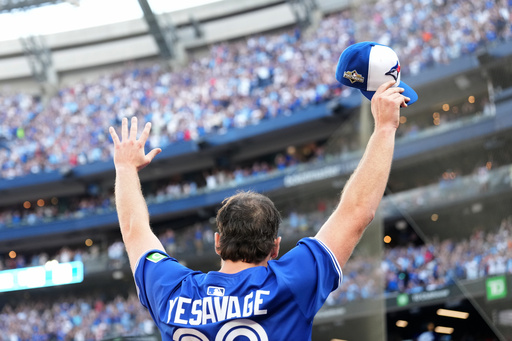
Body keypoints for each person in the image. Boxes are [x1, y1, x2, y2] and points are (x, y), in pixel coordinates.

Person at [109, 79, 409, 340]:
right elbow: (356, 212)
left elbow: (135, 231)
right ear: (275, 247)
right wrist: (385, 127)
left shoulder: (173, 291)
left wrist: (125, 167)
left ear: (217, 243)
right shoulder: (290, 284)